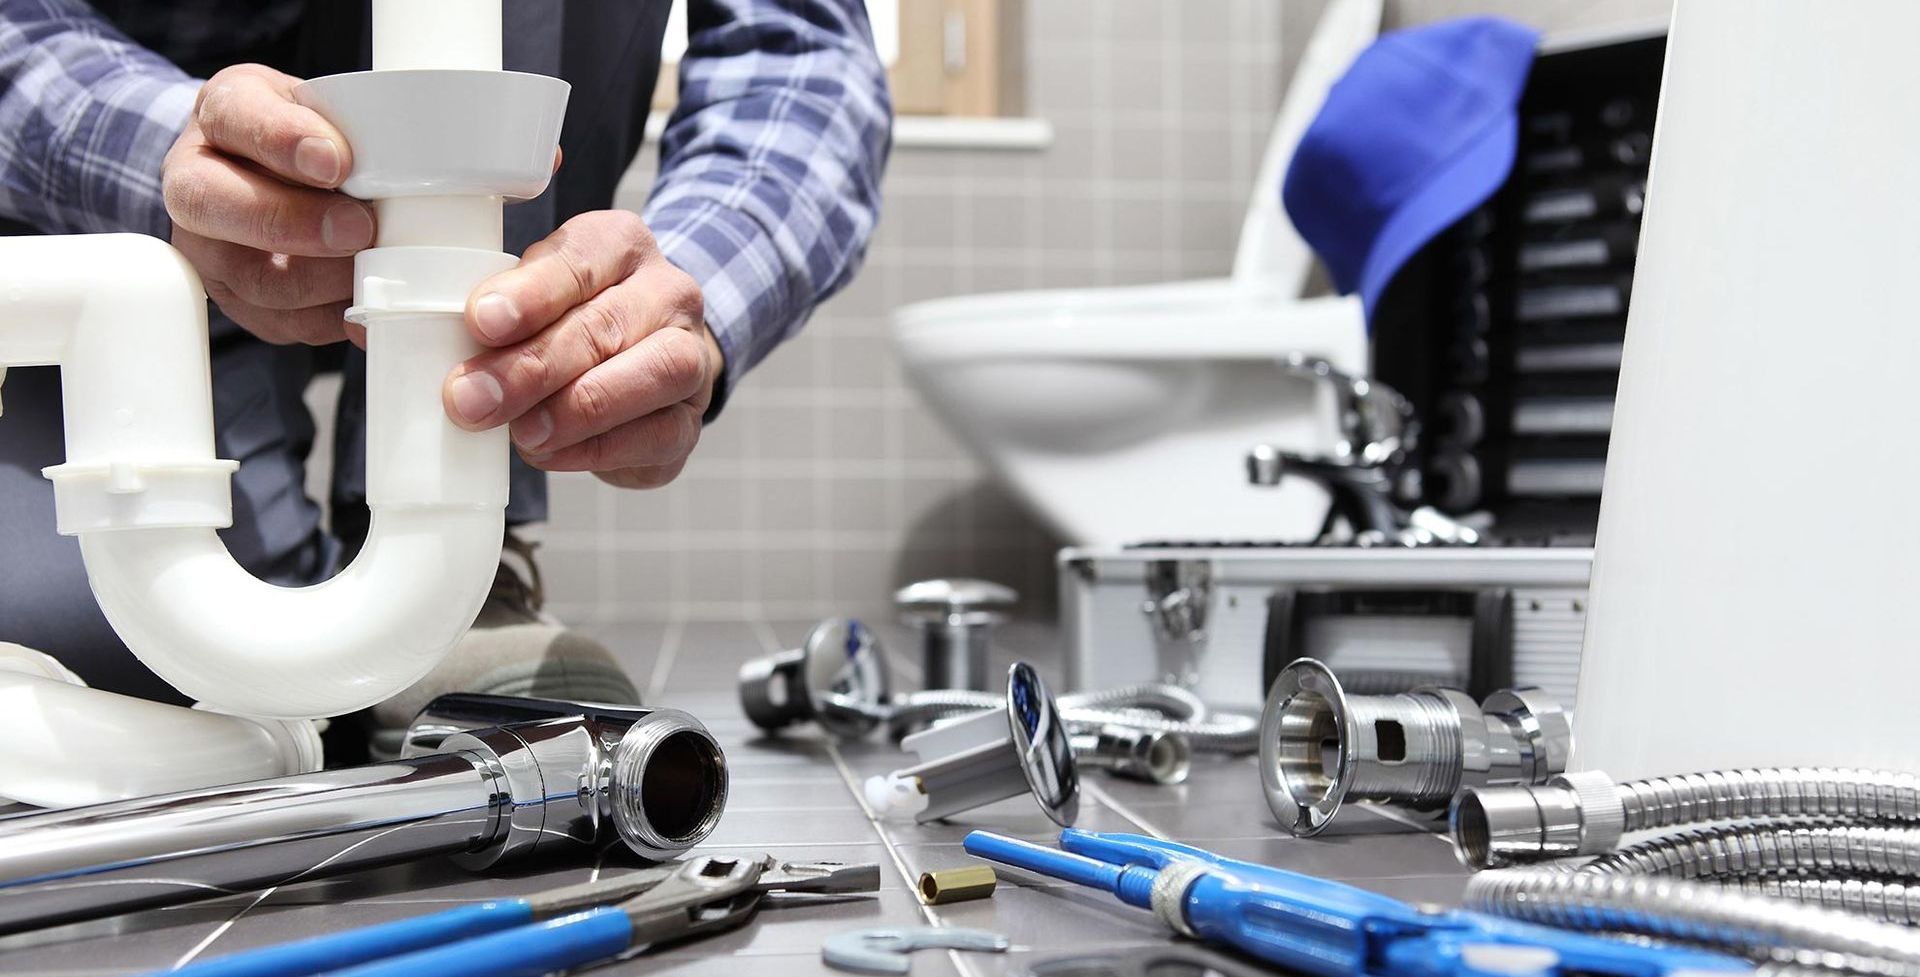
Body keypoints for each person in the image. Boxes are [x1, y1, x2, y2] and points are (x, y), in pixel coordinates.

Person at [0, 0, 891, 748]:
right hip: (100, 226)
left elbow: (802, 51)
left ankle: (452, 567)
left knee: (241, 684)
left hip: (466, 249)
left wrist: (669, 295)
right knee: (102, 641)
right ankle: (331, 580)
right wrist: (170, 157)